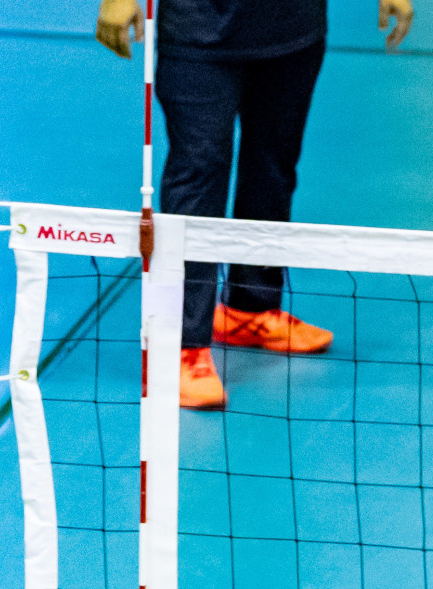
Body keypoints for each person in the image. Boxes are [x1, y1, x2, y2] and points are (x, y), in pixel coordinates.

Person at [95, 0, 413, 409]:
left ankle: (250, 308)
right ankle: (178, 347)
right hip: (201, 33)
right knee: (199, 175)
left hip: (294, 30)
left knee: (273, 168)